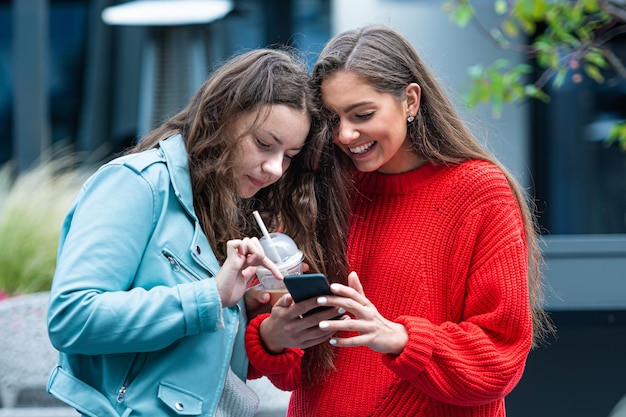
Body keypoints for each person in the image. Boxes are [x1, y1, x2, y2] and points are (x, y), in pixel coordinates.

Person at [244, 24, 554, 416]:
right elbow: (289, 369)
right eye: (333, 118)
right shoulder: (321, 188)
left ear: (410, 100)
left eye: (363, 114)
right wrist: (274, 335)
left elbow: (499, 357)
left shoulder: (479, 192)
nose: (345, 134)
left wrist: (399, 338)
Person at [46, 47, 349, 417]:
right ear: (221, 116)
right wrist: (210, 297)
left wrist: (258, 322)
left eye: (289, 155)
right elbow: (71, 318)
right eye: (264, 144)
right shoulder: (138, 184)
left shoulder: (230, 205)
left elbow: (195, 364)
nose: (274, 168)